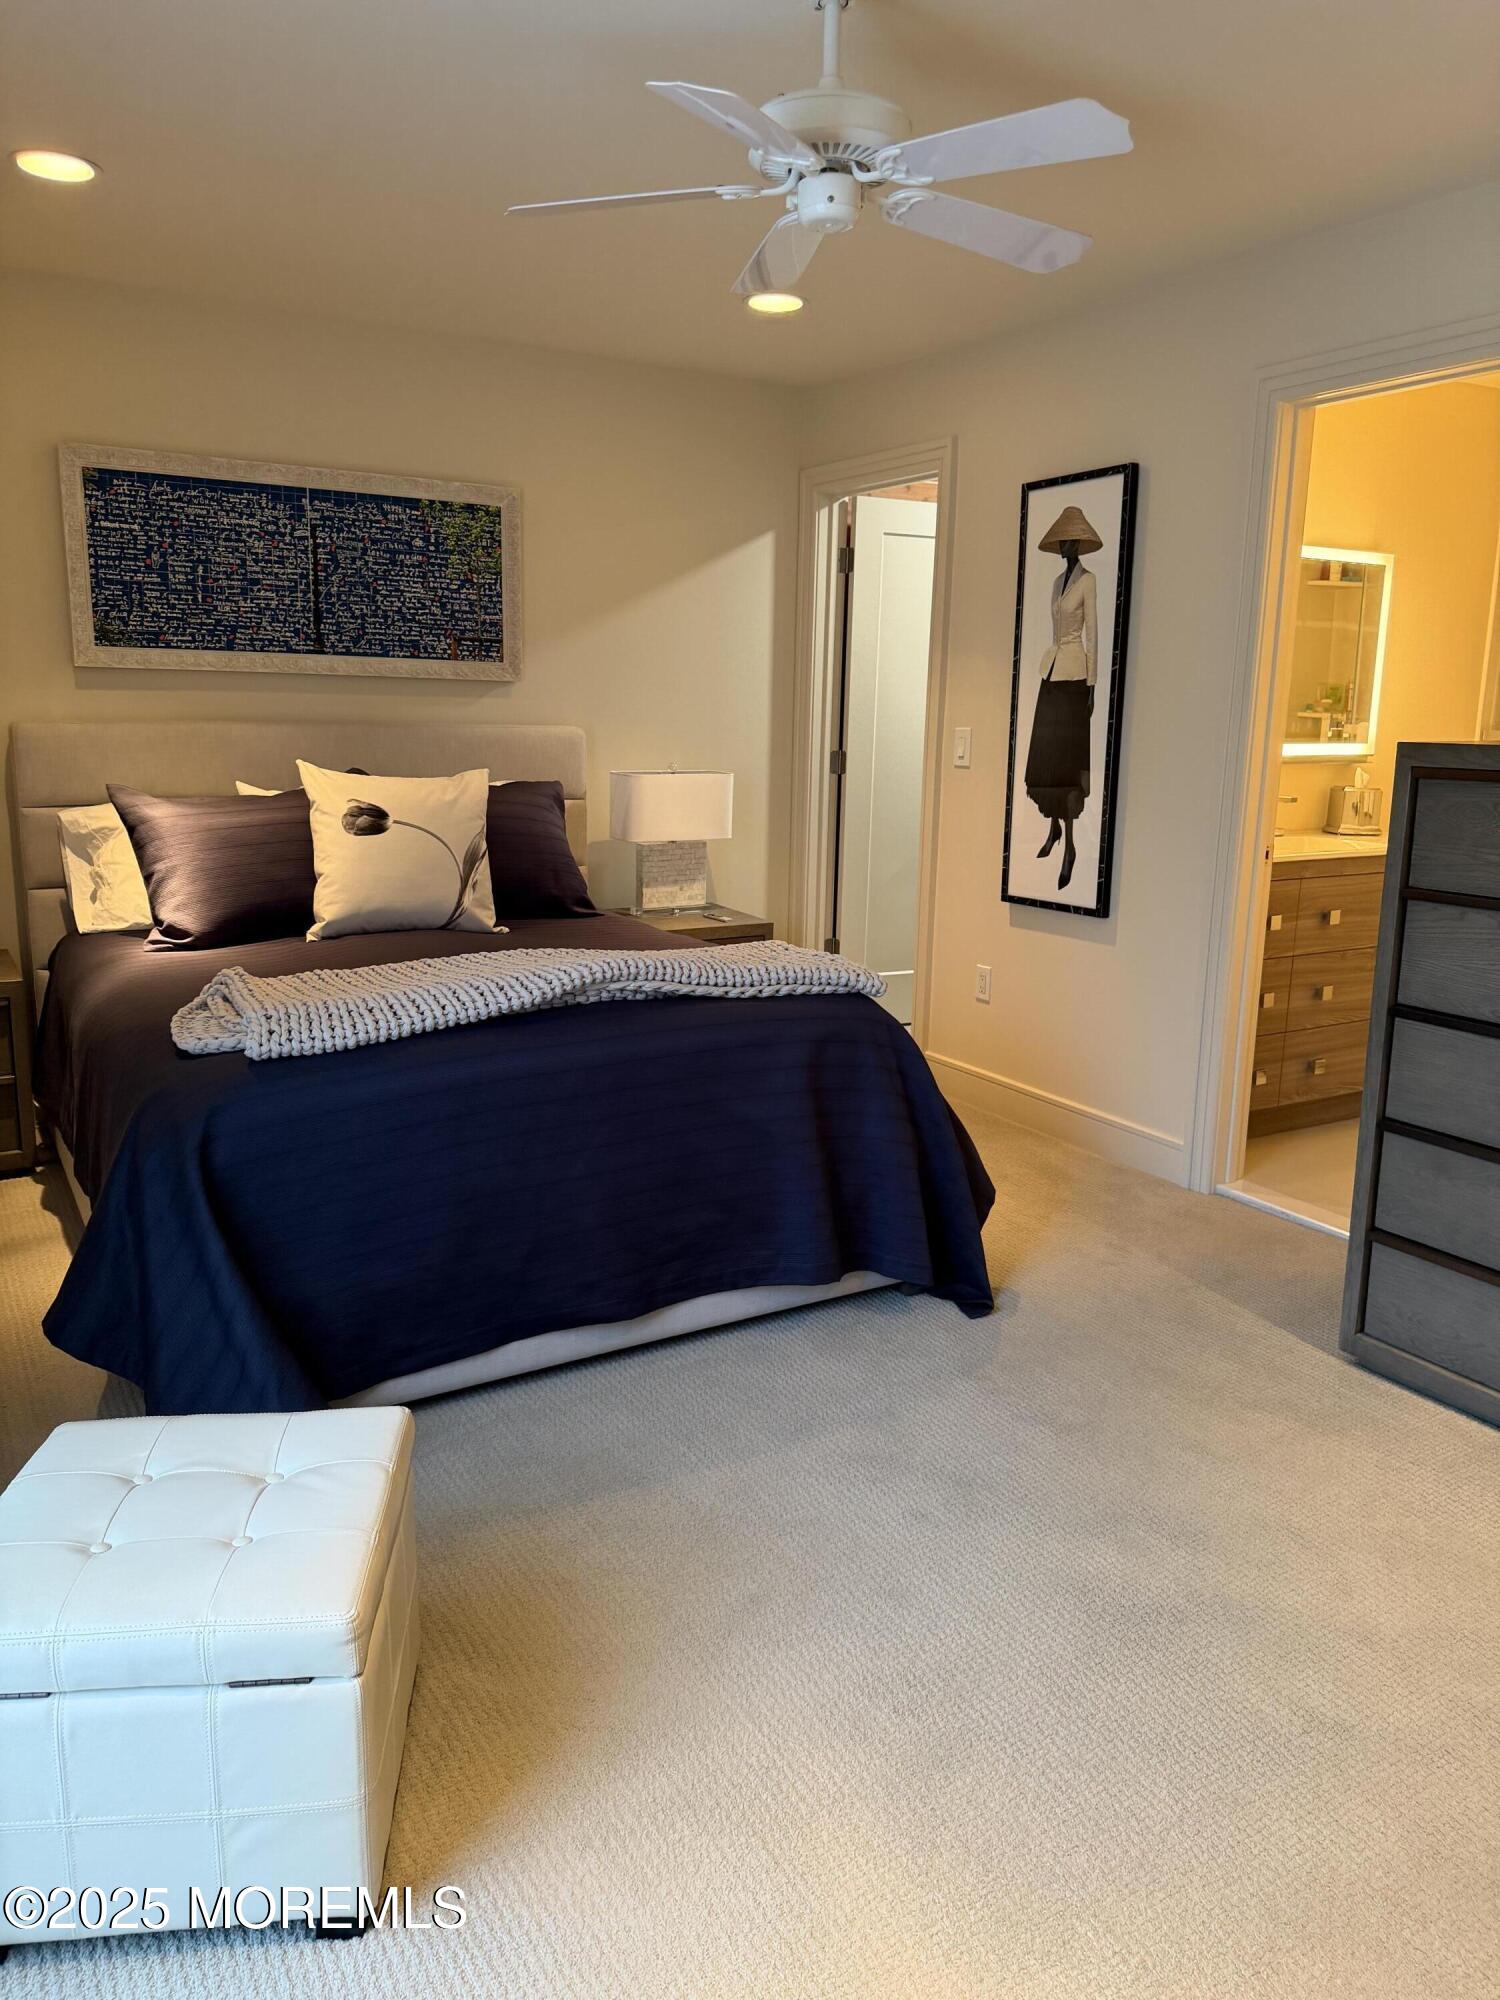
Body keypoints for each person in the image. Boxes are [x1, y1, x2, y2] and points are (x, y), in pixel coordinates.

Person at [1023, 504, 1100, 892]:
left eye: (1071, 540)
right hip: (1050, 673)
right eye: (1063, 541)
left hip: (1074, 677)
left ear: (1080, 544)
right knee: (1046, 758)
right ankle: (1052, 829)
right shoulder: (1057, 582)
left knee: (1067, 764)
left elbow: (1093, 635)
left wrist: (1093, 684)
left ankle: (1070, 845)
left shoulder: (1088, 581)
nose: (1067, 545)